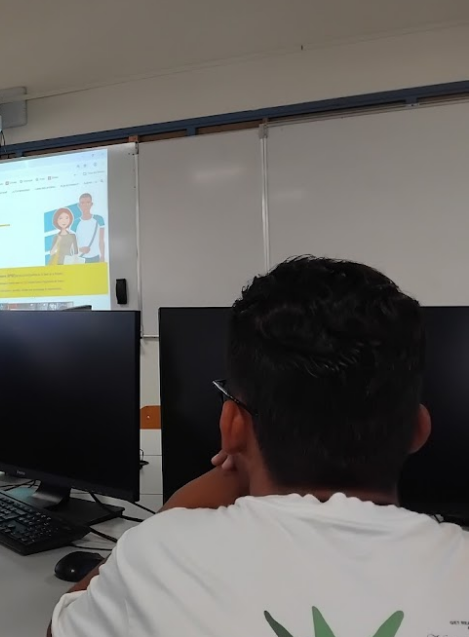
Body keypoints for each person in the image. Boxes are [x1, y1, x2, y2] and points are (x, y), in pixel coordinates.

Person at [49, 256, 469, 637]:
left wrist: (185, 504)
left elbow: (59, 628)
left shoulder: (158, 555)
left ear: (232, 426)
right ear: (419, 428)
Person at [71, 193, 105, 263]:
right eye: (82, 203)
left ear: (91, 204)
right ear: (79, 205)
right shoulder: (75, 223)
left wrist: (103, 256)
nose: (85, 205)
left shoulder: (99, 219)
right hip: (80, 258)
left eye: (88, 202)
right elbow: (72, 243)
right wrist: (80, 249)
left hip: (96, 257)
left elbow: (101, 240)